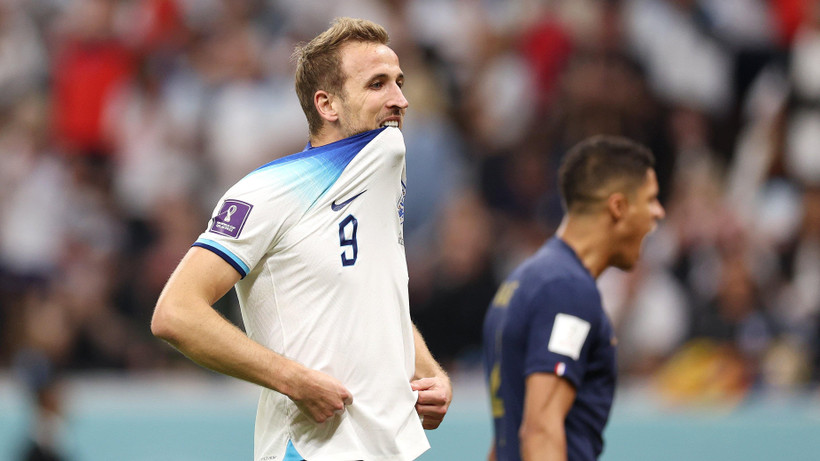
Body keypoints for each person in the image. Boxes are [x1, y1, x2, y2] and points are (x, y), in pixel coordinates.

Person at [151, 17, 451, 461]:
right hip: (311, 451)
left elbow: (371, 298)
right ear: (327, 105)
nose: (401, 100)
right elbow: (175, 313)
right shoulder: (269, 191)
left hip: (389, 450)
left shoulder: (380, 179)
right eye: (378, 85)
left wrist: (429, 374)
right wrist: (291, 379)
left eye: (399, 82)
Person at [482, 135, 665, 461]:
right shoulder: (568, 291)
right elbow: (540, 430)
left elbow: (506, 438)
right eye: (651, 200)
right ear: (619, 207)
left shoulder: (523, 281)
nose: (659, 213)